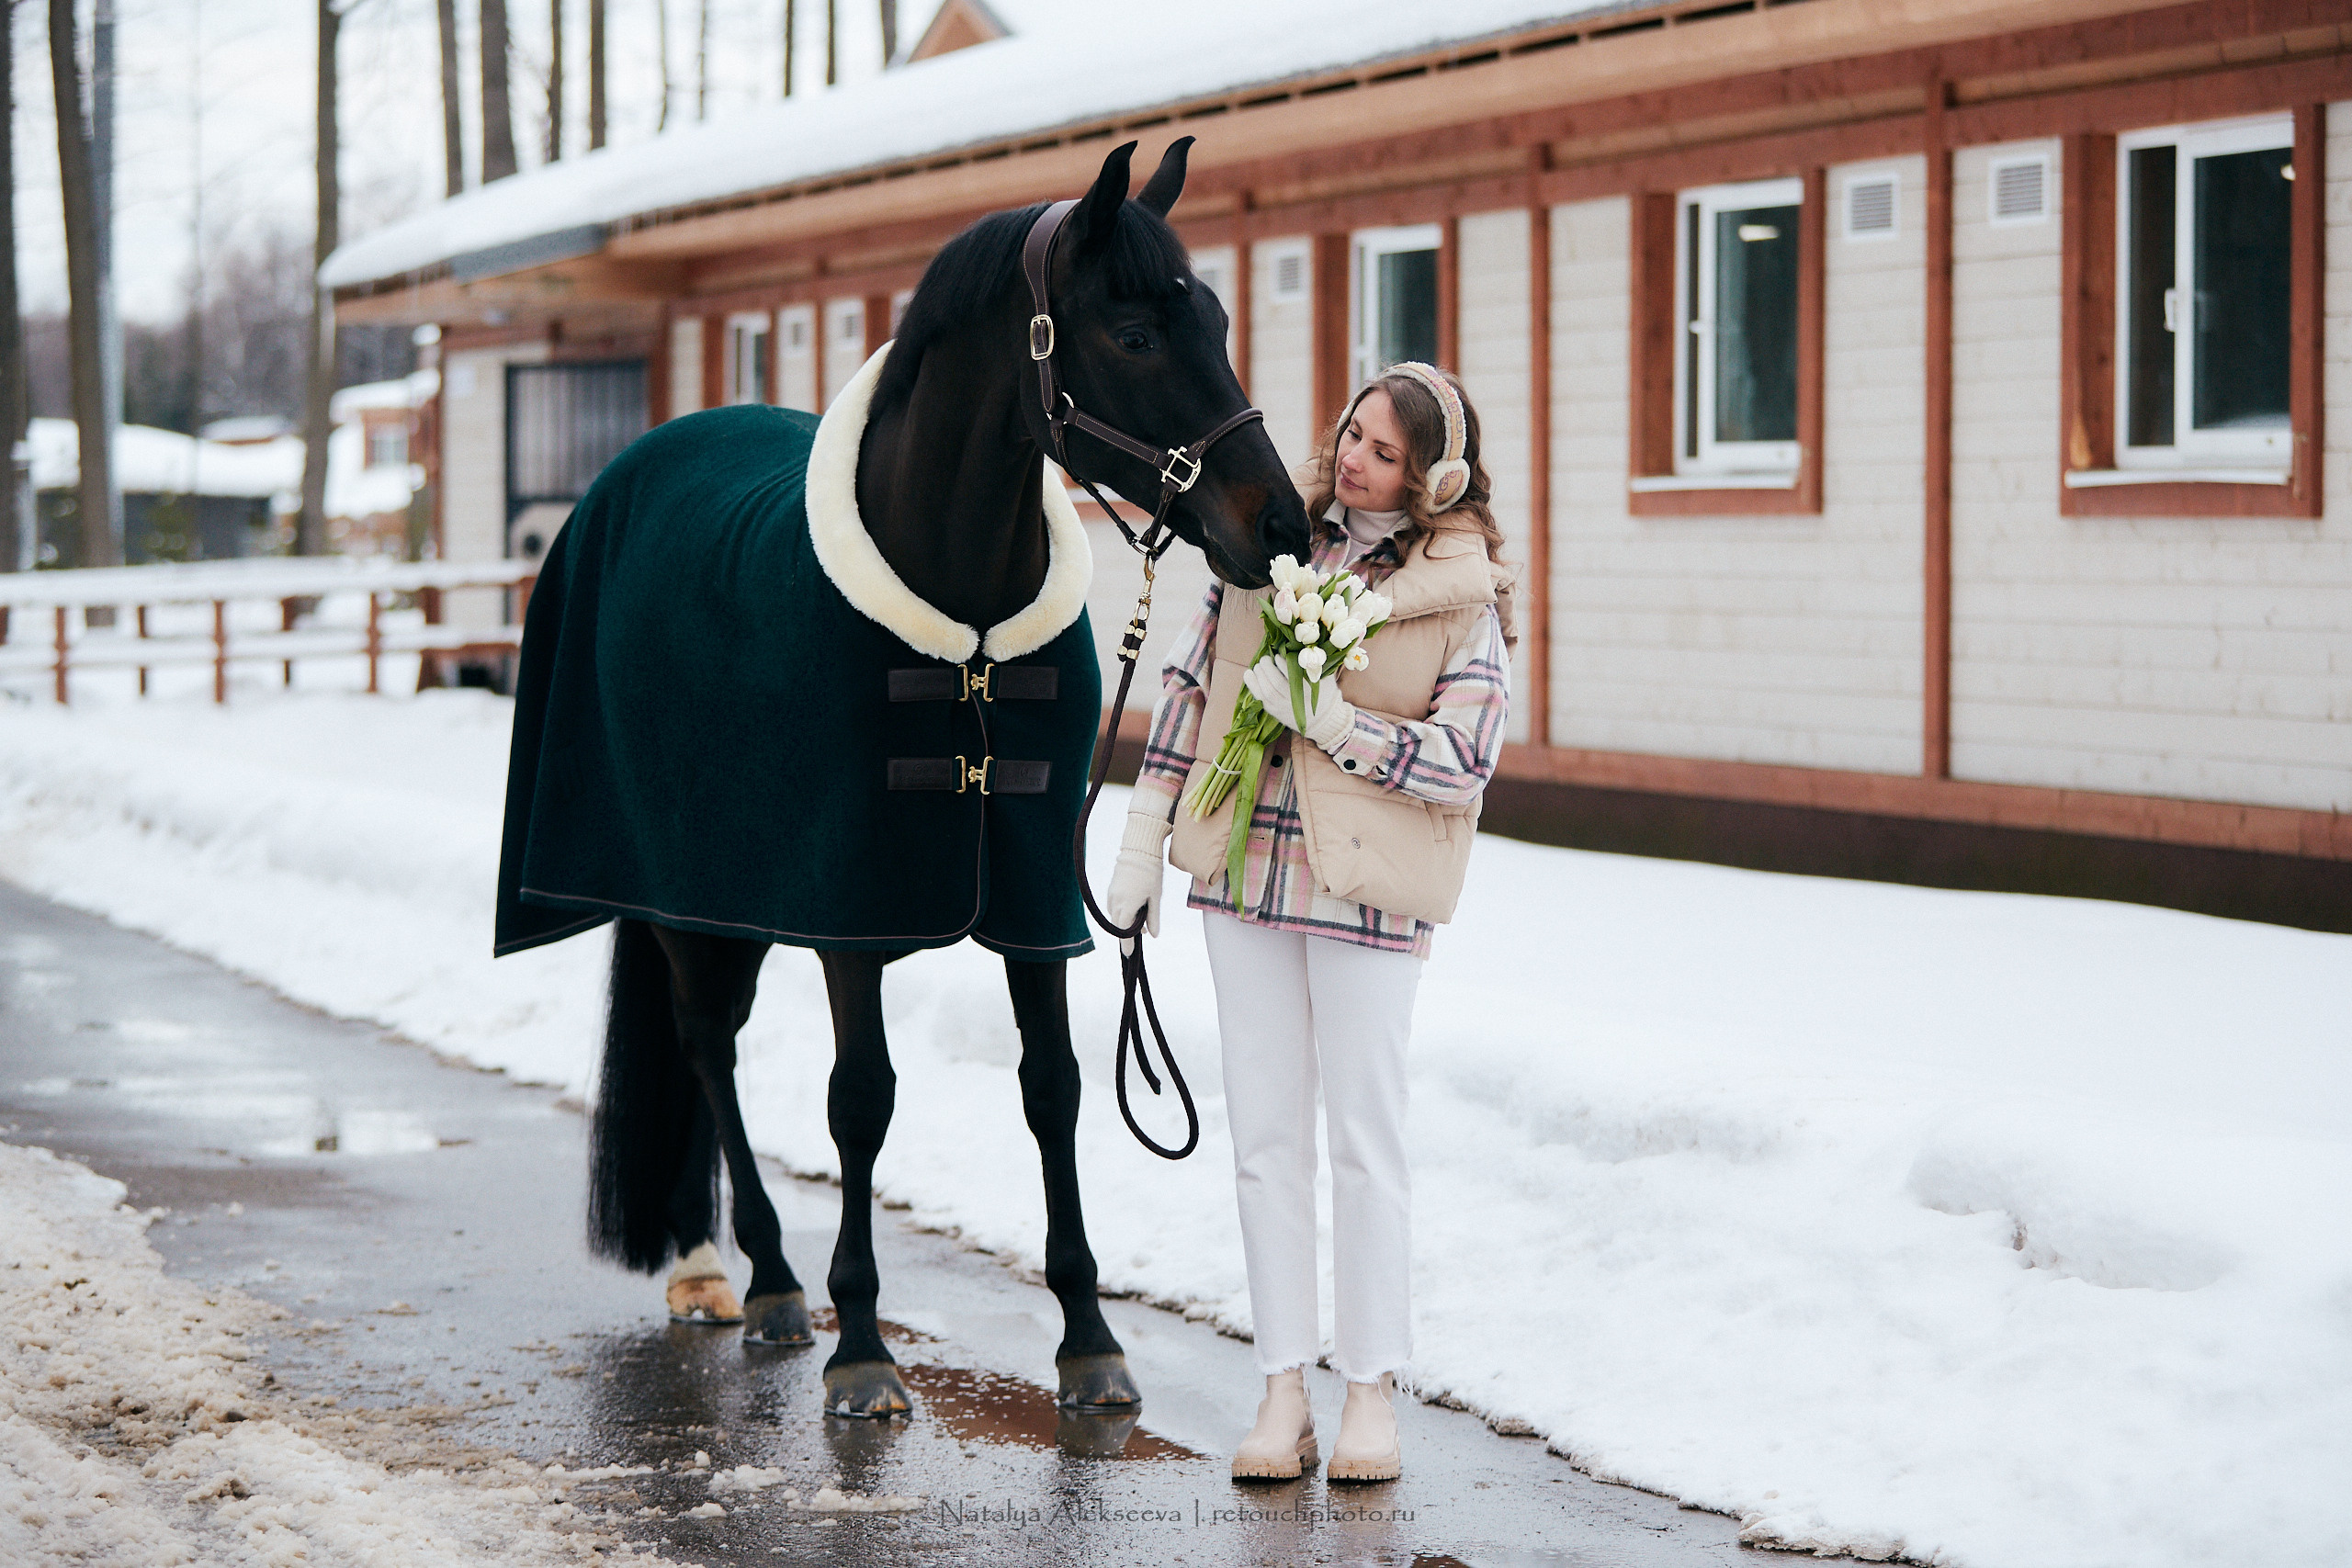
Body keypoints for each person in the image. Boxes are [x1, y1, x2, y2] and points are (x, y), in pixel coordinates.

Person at [1108, 363, 1513, 1483]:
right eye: (1351, 433)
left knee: (1363, 1145)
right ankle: (1281, 1389)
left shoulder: (1460, 594)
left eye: (1383, 452)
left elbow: (1466, 758)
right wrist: (1144, 842)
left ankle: (1369, 1394)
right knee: (1266, 1143)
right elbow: (1189, 687)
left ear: (1432, 480)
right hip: (1246, 877)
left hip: (1365, 897)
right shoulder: (1262, 539)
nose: (1353, 459)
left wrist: (1336, 724)